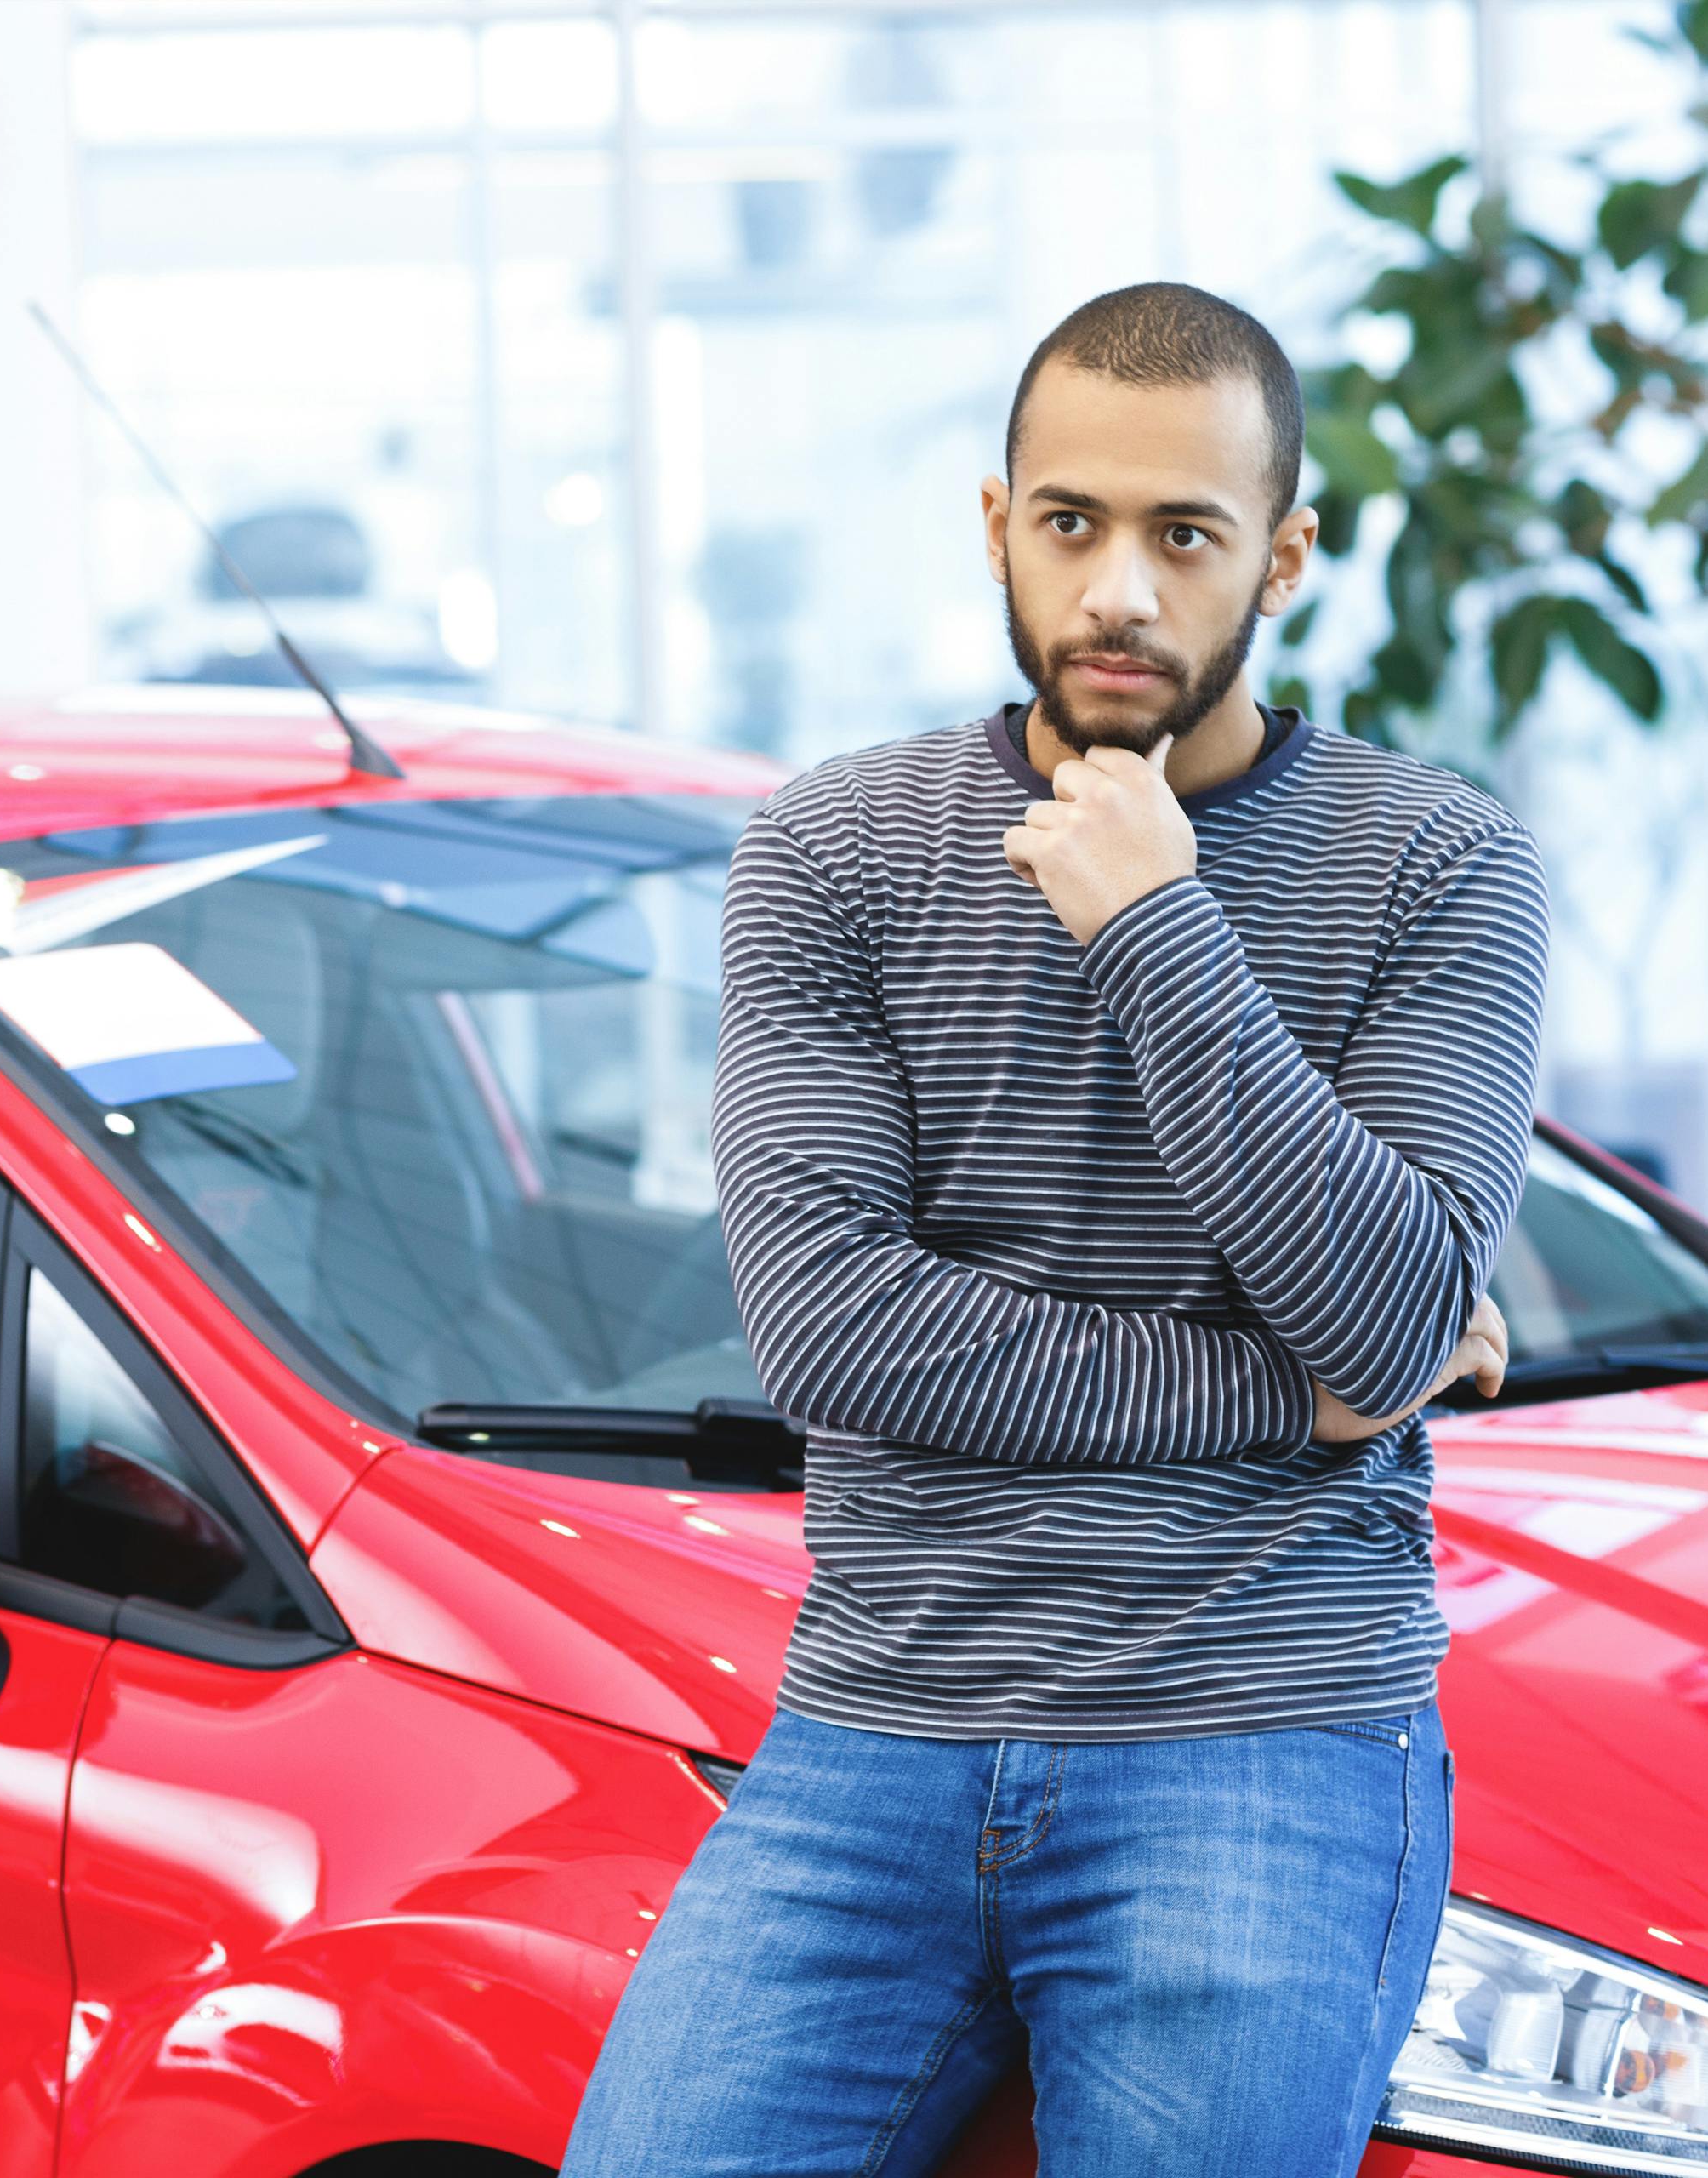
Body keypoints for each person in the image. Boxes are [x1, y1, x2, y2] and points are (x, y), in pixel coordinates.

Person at [559, 282, 1547, 2177]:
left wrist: (1158, 927)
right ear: (997, 520)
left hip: (1259, 1722)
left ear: (1285, 556)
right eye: (1073, 522)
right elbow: (839, 1333)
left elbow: (1396, 1299)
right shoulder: (839, 847)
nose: (1119, 592)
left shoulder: (1438, 861)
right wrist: (1322, 1394)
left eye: (1186, 535)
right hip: (877, 1722)